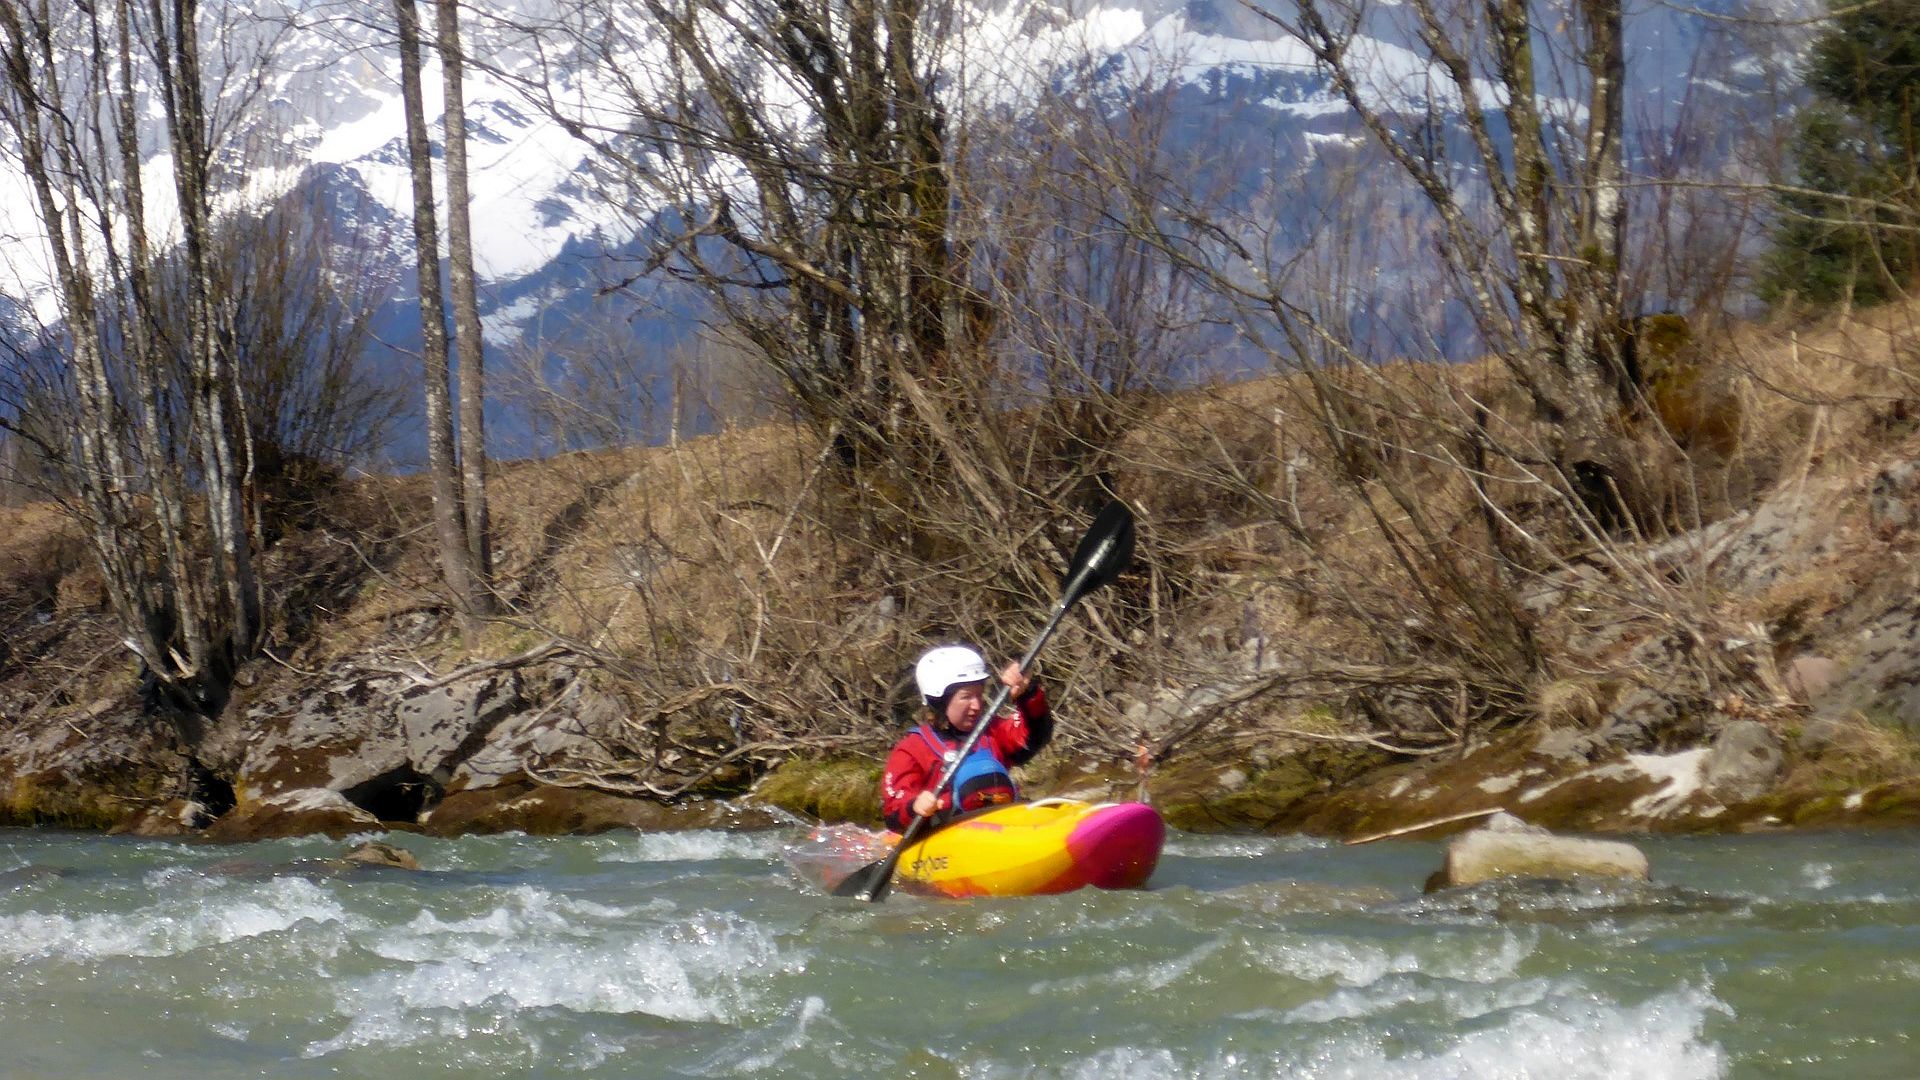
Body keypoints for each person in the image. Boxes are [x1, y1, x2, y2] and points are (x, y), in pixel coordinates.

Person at [880, 644, 1053, 833]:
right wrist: (914, 805)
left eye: (979, 694)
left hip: (1001, 826)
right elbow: (893, 806)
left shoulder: (992, 732)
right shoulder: (912, 749)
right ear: (940, 701)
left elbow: (1034, 736)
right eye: (966, 697)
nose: (977, 705)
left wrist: (1027, 693)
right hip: (946, 840)